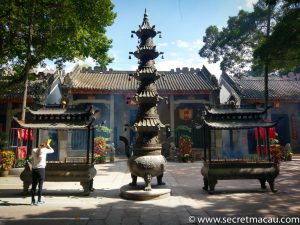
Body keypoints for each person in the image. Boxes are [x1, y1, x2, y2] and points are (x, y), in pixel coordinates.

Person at [31, 141, 54, 205]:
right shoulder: (45, 150)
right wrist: (48, 145)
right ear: (44, 146)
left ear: (39, 145)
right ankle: (39, 201)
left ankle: (32, 201)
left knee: (33, 186)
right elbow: (52, 150)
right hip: (41, 170)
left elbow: (32, 156)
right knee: (40, 186)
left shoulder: (34, 150)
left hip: (34, 170)